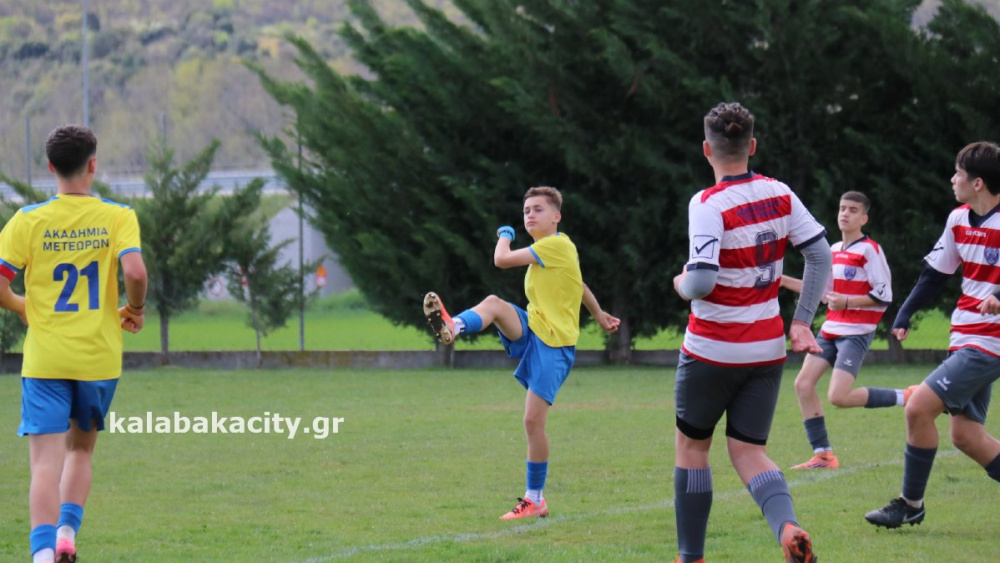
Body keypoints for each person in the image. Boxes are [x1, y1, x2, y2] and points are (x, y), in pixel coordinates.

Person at [671, 102, 829, 563]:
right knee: (749, 451)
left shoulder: (707, 203)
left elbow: (701, 281)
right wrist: (801, 321)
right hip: (766, 349)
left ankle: (691, 557)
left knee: (692, 448)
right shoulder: (780, 193)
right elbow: (820, 255)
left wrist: (681, 283)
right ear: (752, 145)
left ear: (707, 150)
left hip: (712, 349)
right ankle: (787, 526)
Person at [422, 186, 620, 520]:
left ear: (556, 216)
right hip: (535, 328)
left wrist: (504, 234)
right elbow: (580, 284)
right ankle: (453, 326)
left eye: (538, 209)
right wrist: (599, 315)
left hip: (555, 345)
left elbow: (501, 259)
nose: (530, 215)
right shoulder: (555, 250)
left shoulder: (556, 245)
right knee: (494, 304)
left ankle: (535, 499)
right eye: (526, 210)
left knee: (532, 422)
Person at [0, 124, 147, 563]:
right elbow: (135, 273)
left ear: (51, 167)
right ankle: (66, 532)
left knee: (45, 462)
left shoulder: (28, 220)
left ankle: (43, 555)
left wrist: (21, 305)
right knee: (80, 450)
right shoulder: (118, 216)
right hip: (97, 360)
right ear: (93, 165)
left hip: (46, 360)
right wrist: (135, 309)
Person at [865, 141, 1000, 529]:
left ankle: (911, 504)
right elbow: (936, 274)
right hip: (964, 335)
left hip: (989, 342)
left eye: (958, 173)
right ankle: (912, 504)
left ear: (977, 182)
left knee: (918, 408)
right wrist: (905, 312)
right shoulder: (958, 219)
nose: (952, 179)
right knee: (967, 436)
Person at [781, 191, 912, 470]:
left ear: (864, 218)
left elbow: (884, 295)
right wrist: (780, 280)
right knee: (802, 385)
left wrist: (848, 301)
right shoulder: (833, 249)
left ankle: (906, 396)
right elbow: (821, 291)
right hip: (830, 330)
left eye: (853, 210)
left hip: (856, 332)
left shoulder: (870, 250)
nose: (845, 214)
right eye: (842, 208)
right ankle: (823, 456)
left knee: (838, 397)